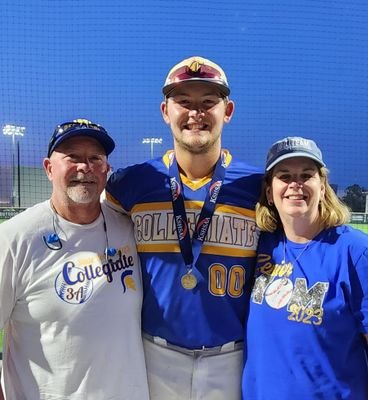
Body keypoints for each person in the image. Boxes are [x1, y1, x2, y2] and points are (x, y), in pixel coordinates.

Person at [105, 56, 263, 399]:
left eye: (208, 102)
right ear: (165, 111)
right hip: (153, 354)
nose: (196, 112)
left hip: (231, 358)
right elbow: (86, 222)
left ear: (228, 110)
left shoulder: (258, 187)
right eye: (183, 102)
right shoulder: (132, 183)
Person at [0, 119, 149, 399]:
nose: (85, 167)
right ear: (48, 168)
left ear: (106, 171)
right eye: (73, 157)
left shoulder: (129, 228)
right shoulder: (14, 238)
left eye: (95, 158)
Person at [242, 136, 368, 400]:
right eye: (284, 176)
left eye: (306, 175)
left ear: (323, 185)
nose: (296, 184)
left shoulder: (358, 253)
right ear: (269, 191)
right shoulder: (261, 245)